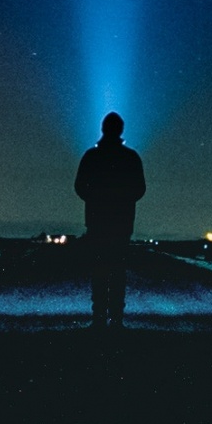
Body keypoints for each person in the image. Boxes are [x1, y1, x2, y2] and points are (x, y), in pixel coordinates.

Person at [74, 112, 146, 330]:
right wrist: (122, 199)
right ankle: (116, 318)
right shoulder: (131, 157)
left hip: (97, 220)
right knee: (117, 270)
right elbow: (140, 188)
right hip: (122, 222)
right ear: (121, 130)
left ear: (103, 129)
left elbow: (79, 186)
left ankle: (99, 318)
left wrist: (96, 198)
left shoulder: (91, 156)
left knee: (99, 269)